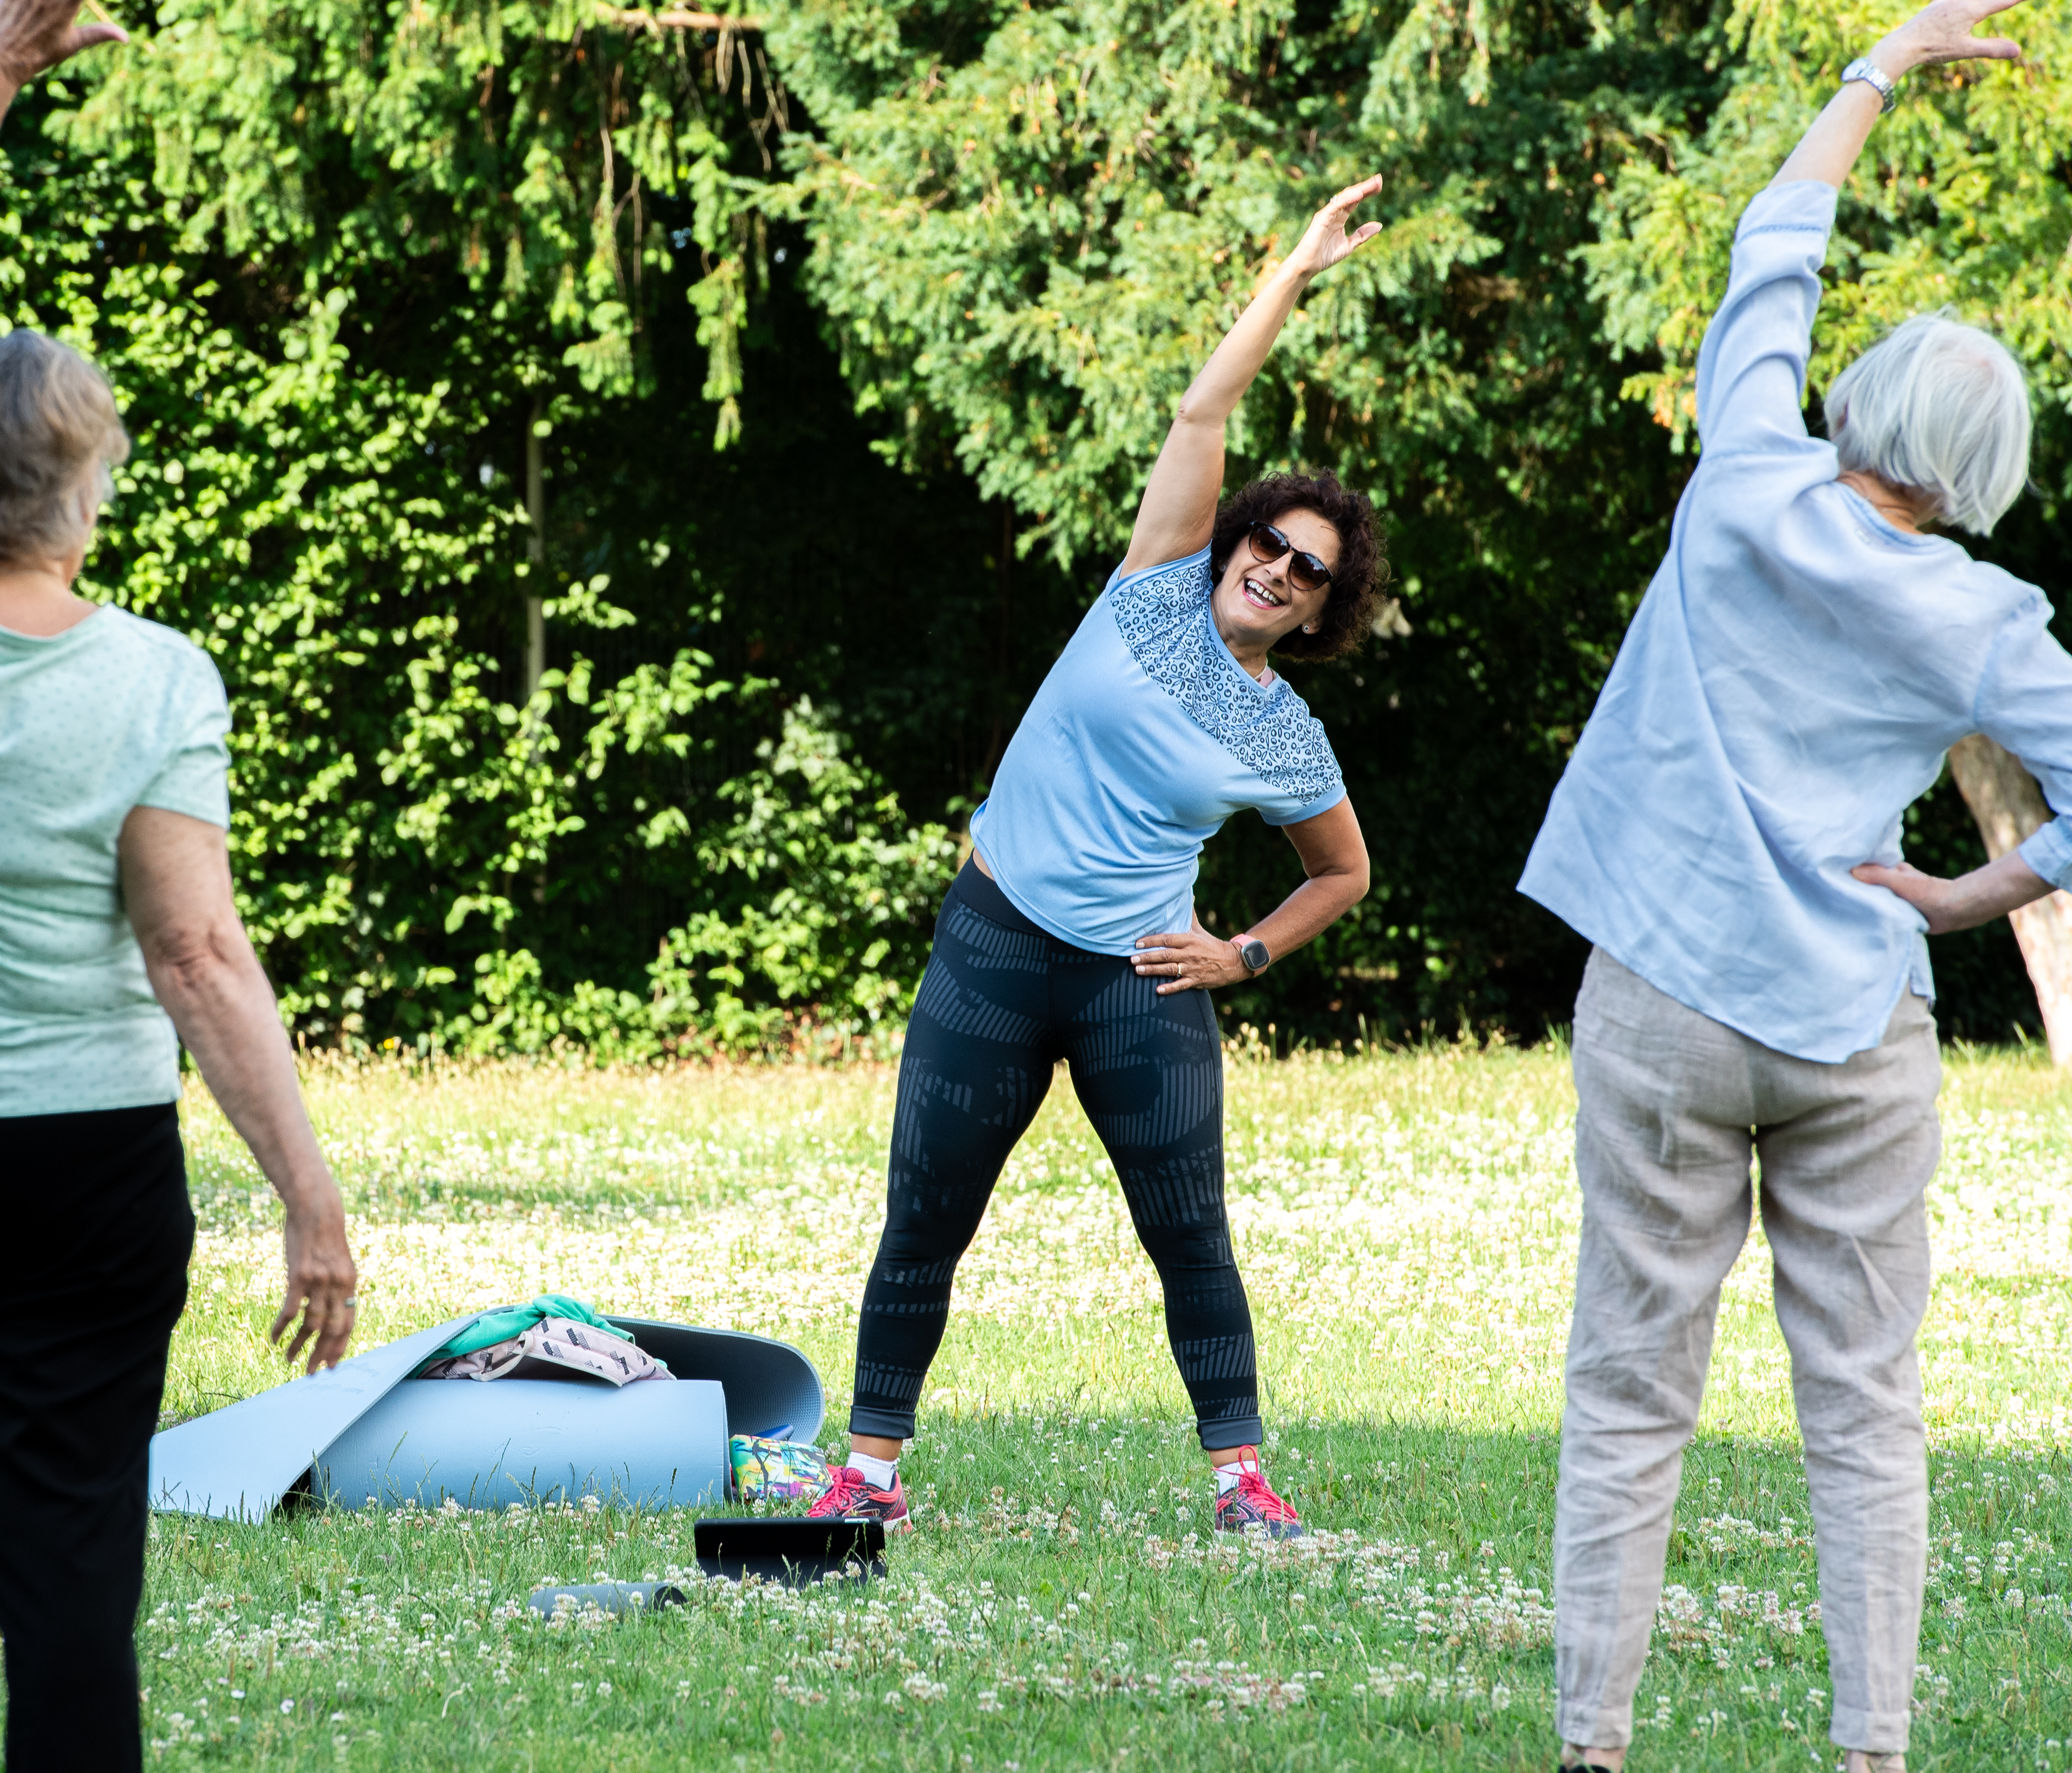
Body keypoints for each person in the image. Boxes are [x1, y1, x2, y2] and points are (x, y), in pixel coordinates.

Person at [0, 0, 360, 1763]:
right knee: (62, 1585)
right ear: (83, 480)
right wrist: (311, 1200)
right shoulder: (155, 679)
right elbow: (195, 954)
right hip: (76, 1178)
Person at [1516, 2, 2067, 1767]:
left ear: (1864, 402)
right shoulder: (1988, 621)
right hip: (1854, 1019)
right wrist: (1977, 898)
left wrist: (1876, 70)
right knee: (1866, 1411)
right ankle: (1874, 1749)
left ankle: (1594, 1744)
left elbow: (1774, 250)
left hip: (1667, 999)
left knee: (1628, 1393)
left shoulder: (1740, 480)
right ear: (1983, 476)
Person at [808, 178, 1388, 1538]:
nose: (1280, 570)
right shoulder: (1152, 584)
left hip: (1140, 979)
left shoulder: (1283, 734)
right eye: (1272, 542)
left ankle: (1243, 1484)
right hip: (995, 946)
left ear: (1319, 612)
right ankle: (869, 1477)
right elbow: (1203, 410)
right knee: (924, 1219)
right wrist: (1294, 271)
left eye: (1309, 573)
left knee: (1190, 1233)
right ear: (1239, 534)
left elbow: (1344, 871)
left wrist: (1240, 951)